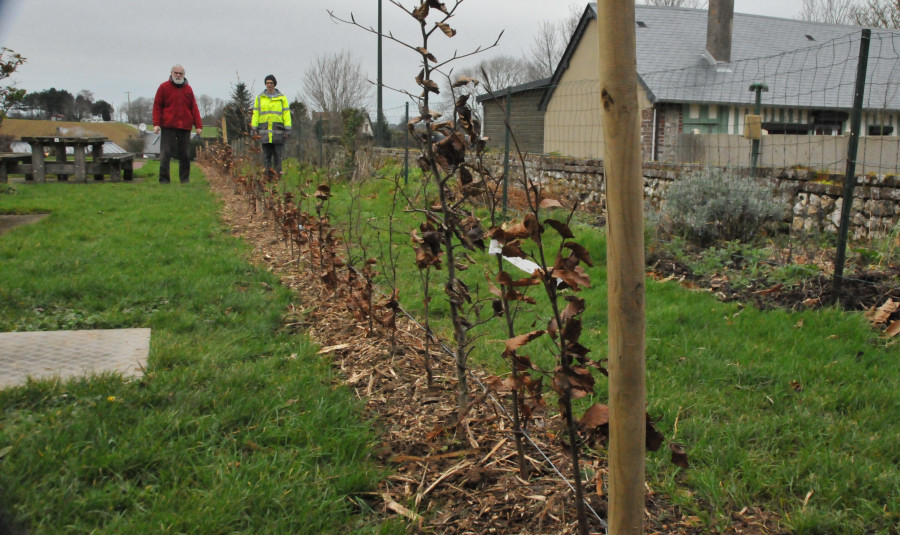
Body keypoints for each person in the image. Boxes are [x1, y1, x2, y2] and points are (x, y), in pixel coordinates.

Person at [152, 64, 202, 184]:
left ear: (184, 75)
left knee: (184, 155)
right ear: (171, 73)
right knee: (165, 154)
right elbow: (157, 106)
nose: (178, 75)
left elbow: (194, 108)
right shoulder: (163, 87)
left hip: (185, 127)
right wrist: (156, 123)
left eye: (181, 73)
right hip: (168, 126)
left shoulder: (188, 89)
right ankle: (164, 180)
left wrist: (198, 125)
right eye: (176, 73)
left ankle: (184, 180)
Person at [251, 74, 291, 174]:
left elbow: (286, 114)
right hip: (264, 132)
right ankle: (268, 176)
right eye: (267, 83)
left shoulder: (282, 98)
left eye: (271, 83)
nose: (269, 85)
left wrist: (288, 129)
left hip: (278, 131)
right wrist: (254, 128)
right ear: (265, 84)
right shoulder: (259, 98)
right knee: (266, 156)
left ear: (274, 84)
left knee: (278, 155)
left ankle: (277, 175)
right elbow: (256, 113)